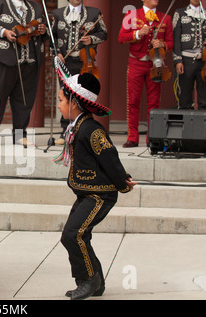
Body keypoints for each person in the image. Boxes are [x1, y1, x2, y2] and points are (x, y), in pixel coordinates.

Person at [53, 56, 137, 300]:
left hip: (99, 195)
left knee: (73, 234)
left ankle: (88, 281)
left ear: (75, 103)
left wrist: (123, 181)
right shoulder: (78, 126)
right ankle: (94, 283)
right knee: (78, 234)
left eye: (60, 101)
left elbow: (110, 158)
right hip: (87, 193)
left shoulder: (92, 130)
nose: (58, 105)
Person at [0, 0, 47, 147]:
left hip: (29, 60)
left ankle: (19, 134)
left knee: (24, 99)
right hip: (2, 58)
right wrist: (4, 32)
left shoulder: (35, 7)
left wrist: (43, 30)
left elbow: (44, 32)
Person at [118, 0, 174, 148]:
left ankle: (152, 137)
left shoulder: (165, 18)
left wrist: (163, 44)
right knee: (133, 101)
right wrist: (137, 33)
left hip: (155, 64)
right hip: (136, 62)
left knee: (154, 102)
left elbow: (171, 43)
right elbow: (121, 38)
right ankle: (133, 137)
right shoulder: (131, 14)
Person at [51, 0, 107, 145]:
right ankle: (65, 132)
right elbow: (52, 38)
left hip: (85, 62)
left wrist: (91, 39)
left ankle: (83, 130)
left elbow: (104, 33)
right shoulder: (58, 13)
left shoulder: (94, 13)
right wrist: (57, 53)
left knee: (83, 98)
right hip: (65, 62)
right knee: (66, 95)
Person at [173, 0, 206, 110]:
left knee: (204, 98)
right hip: (186, 60)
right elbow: (176, 39)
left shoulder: (205, 13)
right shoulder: (180, 13)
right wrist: (178, 60)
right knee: (184, 98)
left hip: (203, 61)